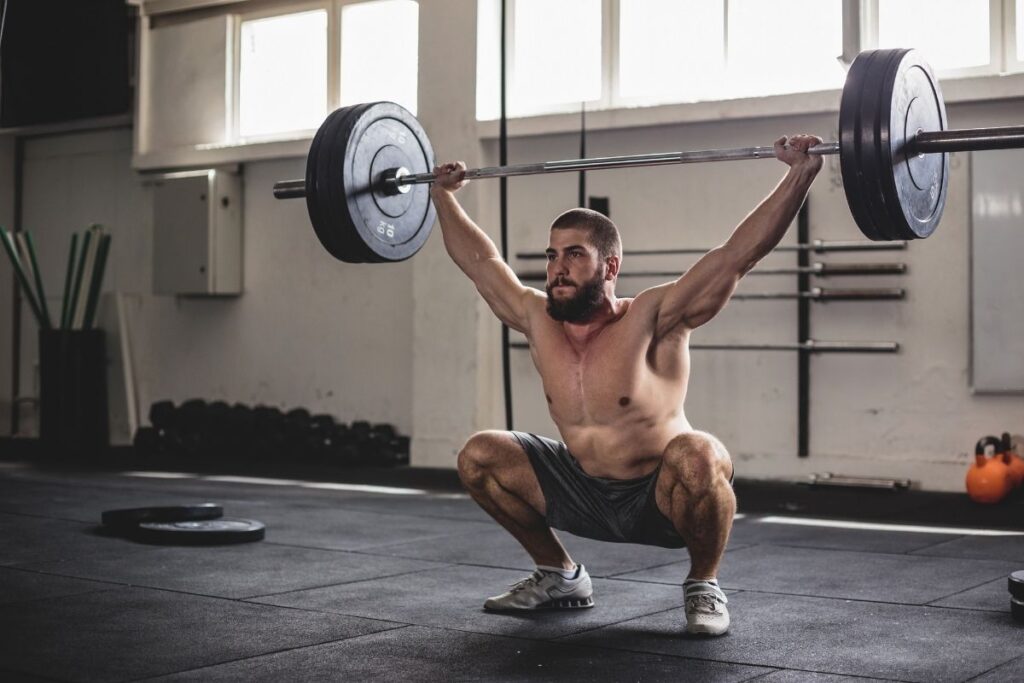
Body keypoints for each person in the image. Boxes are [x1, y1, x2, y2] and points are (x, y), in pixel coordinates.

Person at [430, 134, 823, 636]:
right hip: (581, 487)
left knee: (700, 453)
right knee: (480, 455)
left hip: (658, 497)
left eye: (575, 255)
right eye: (552, 256)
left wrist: (800, 174)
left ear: (610, 267)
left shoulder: (655, 316)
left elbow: (736, 256)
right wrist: (443, 197)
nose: (558, 269)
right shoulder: (536, 317)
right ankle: (561, 575)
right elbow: (482, 264)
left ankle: (703, 583)